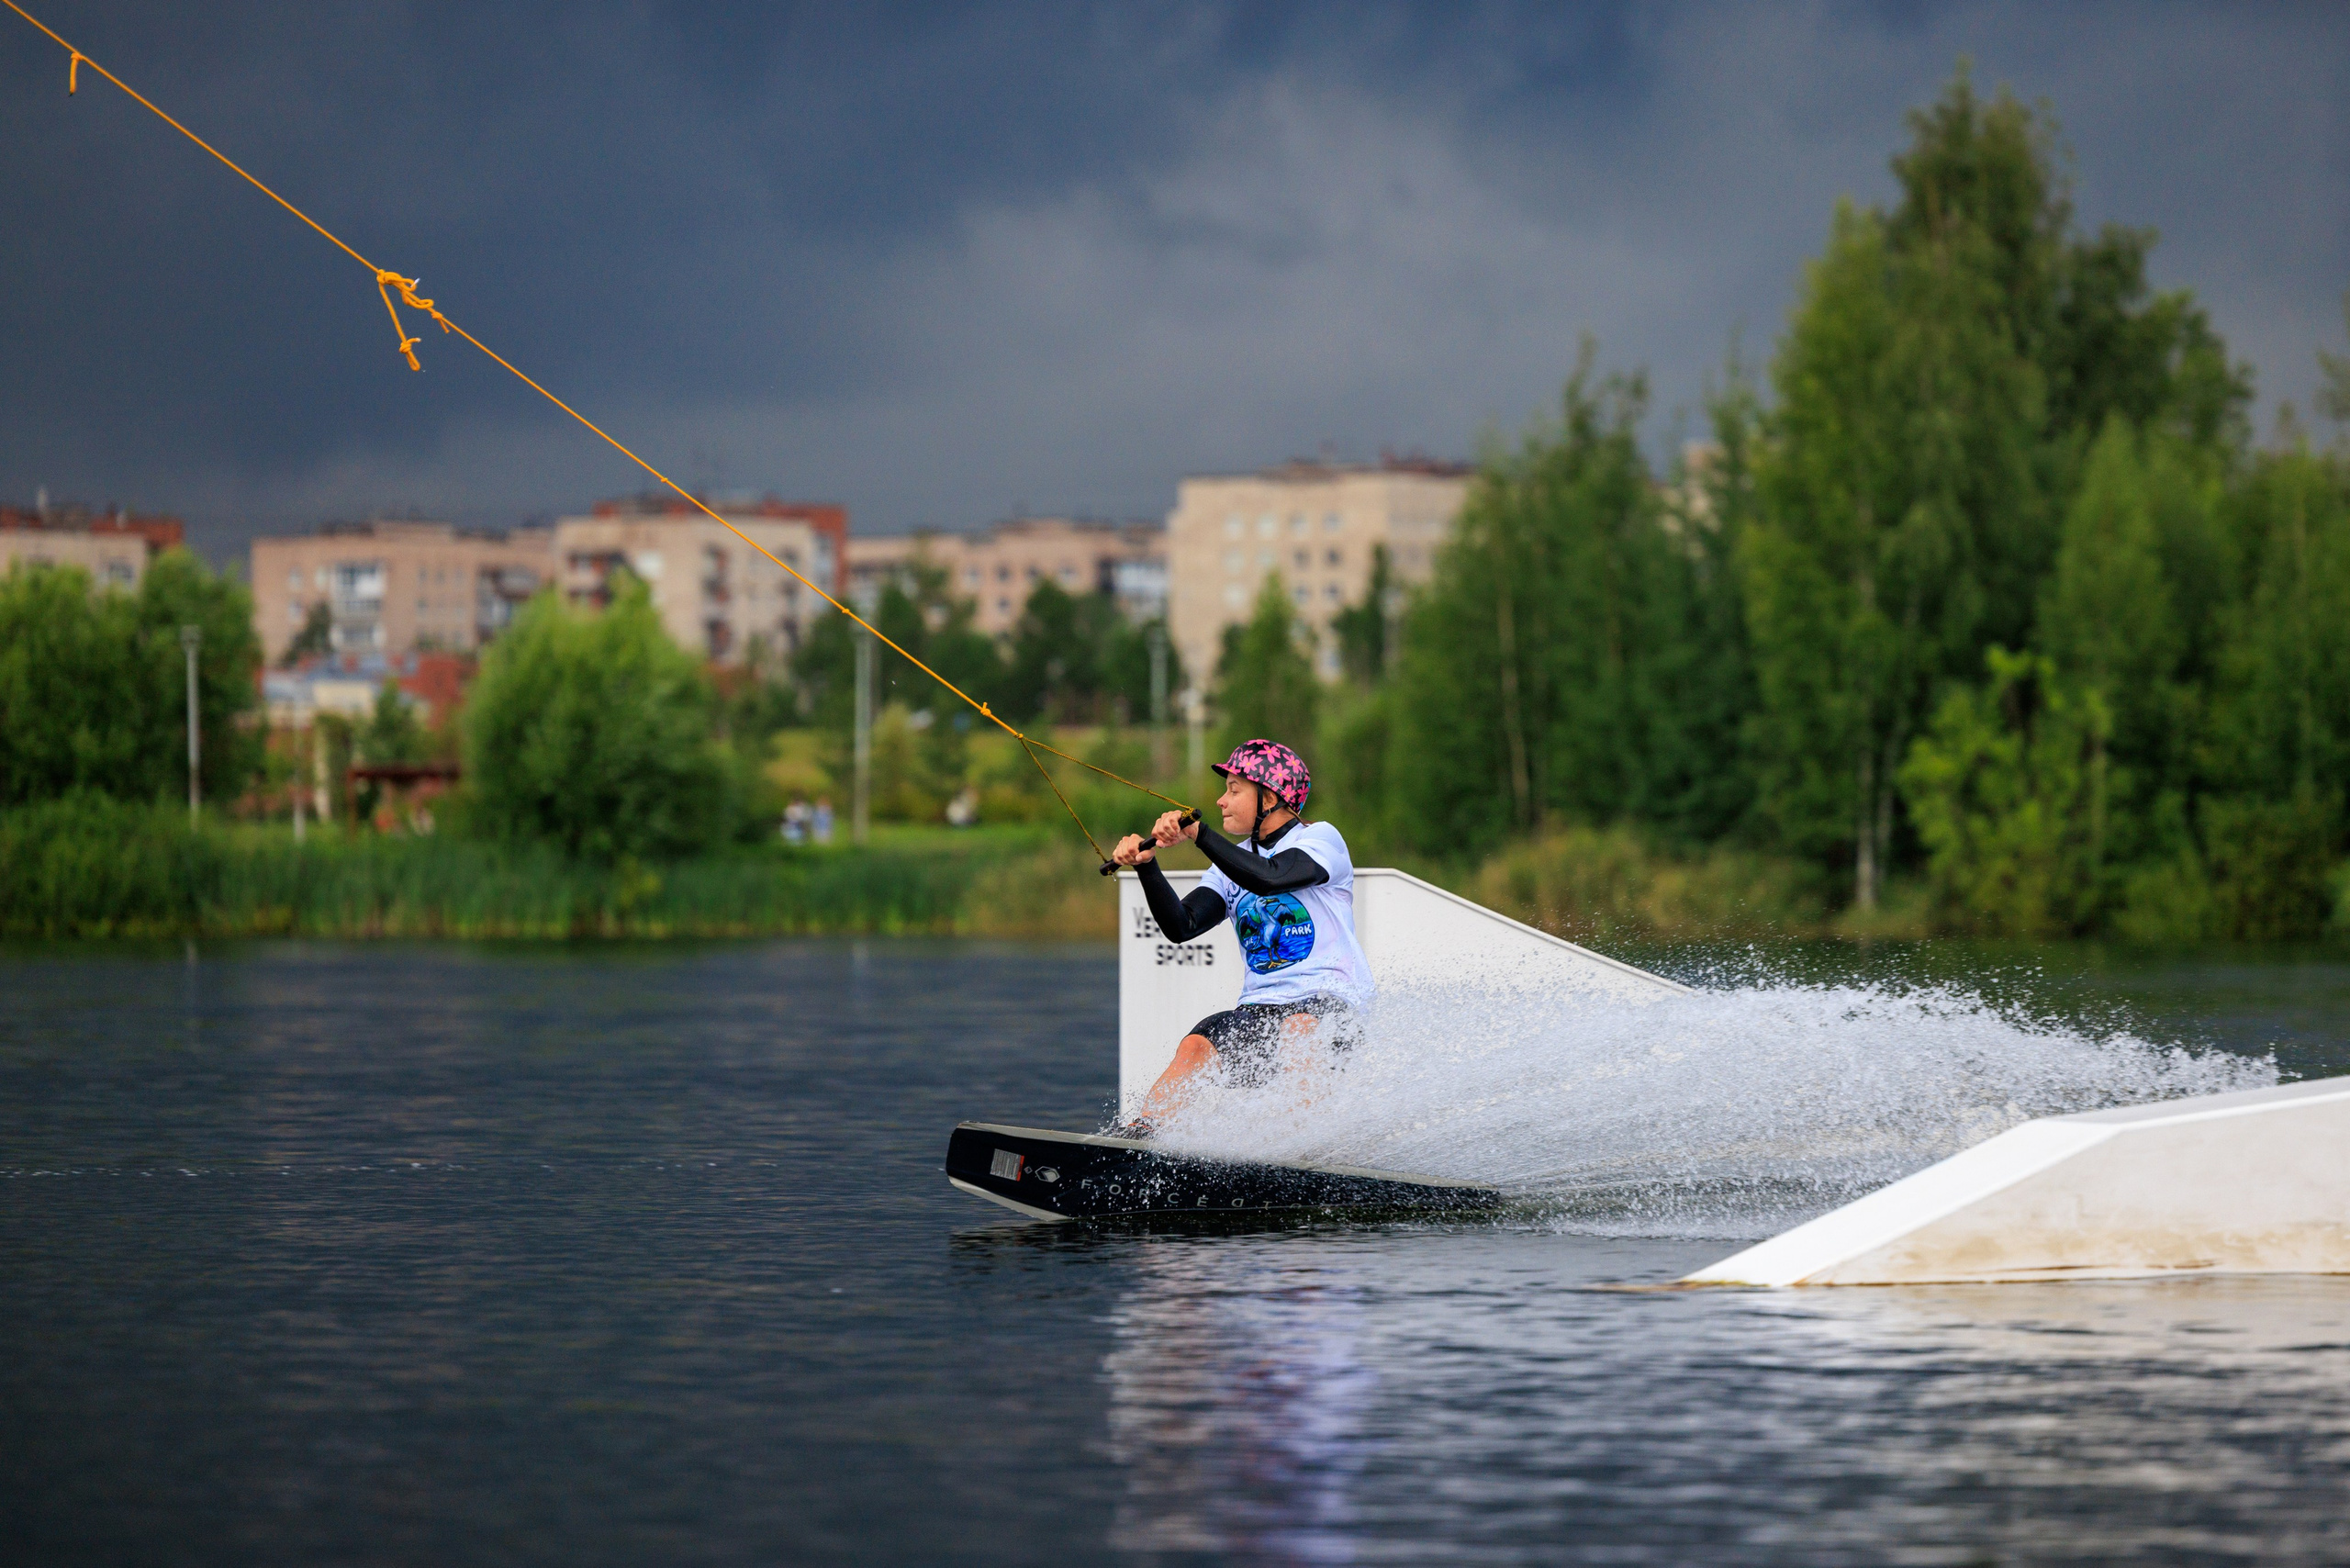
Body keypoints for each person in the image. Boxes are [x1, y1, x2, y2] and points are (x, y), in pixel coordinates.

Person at [1110, 739, 1372, 1133]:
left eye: (1234, 790)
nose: (1221, 801)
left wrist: (1200, 835)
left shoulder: (1319, 838)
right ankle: (1143, 1136)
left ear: (1269, 798)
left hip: (1332, 1005)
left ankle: (1307, 1141)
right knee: (1198, 1043)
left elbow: (1270, 878)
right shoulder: (1227, 868)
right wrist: (1147, 866)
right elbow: (1182, 926)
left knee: (1298, 1029)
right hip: (1261, 1009)